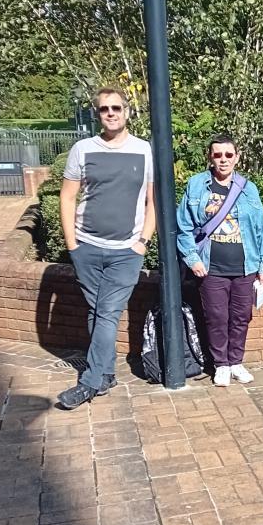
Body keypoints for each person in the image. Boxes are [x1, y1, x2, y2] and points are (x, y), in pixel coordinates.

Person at [56, 87, 155, 409]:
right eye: (104, 109)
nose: (110, 113)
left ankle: (90, 381)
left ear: (127, 111)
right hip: (87, 247)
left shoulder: (144, 150)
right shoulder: (83, 149)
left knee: (108, 312)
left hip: (126, 251)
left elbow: (153, 201)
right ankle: (107, 373)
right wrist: (73, 244)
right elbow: (68, 196)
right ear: (97, 114)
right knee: (97, 311)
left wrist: (142, 242)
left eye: (116, 108)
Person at [176, 133, 263, 387]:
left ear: (237, 157)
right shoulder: (197, 185)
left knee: (241, 316)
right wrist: (192, 257)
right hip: (211, 267)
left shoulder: (247, 188)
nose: (223, 160)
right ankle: (220, 364)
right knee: (216, 316)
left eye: (228, 155)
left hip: (245, 266)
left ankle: (236, 362)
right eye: (217, 154)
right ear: (210, 157)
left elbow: (261, 229)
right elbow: (183, 225)